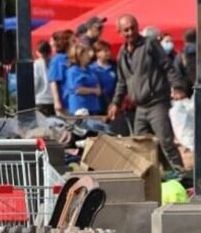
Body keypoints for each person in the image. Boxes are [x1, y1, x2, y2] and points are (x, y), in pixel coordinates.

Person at [108, 14, 187, 171]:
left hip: (157, 102)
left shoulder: (149, 44)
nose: (130, 32)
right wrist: (115, 103)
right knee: (140, 144)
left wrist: (177, 87)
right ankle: (160, 175)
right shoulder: (122, 54)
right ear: (120, 32)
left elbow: (167, 66)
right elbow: (122, 82)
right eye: (126, 30)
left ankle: (182, 176)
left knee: (166, 142)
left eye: (133, 28)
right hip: (140, 107)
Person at [65, 42, 103, 115]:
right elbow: (78, 89)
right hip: (80, 108)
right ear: (79, 56)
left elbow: (97, 84)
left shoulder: (90, 69)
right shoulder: (73, 71)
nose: (89, 55)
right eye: (86, 53)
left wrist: (97, 89)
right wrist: (94, 90)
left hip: (93, 106)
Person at [48, 30, 74, 115]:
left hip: (73, 102)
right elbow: (53, 81)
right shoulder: (57, 59)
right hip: (64, 102)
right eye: (73, 41)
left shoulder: (72, 58)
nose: (76, 43)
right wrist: (57, 101)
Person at [90, 40, 117, 111]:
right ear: (97, 53)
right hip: (98, 105)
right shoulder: (91, 69)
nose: (108, 53)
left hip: (113, 103)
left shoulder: (115, 67)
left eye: (109, 50)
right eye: (105, 51)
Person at [34, 40, 56, 117]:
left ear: (38, 52)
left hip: (40, 100)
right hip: (54, 100)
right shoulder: (54, 63)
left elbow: (35, 83)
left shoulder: (36, 64)